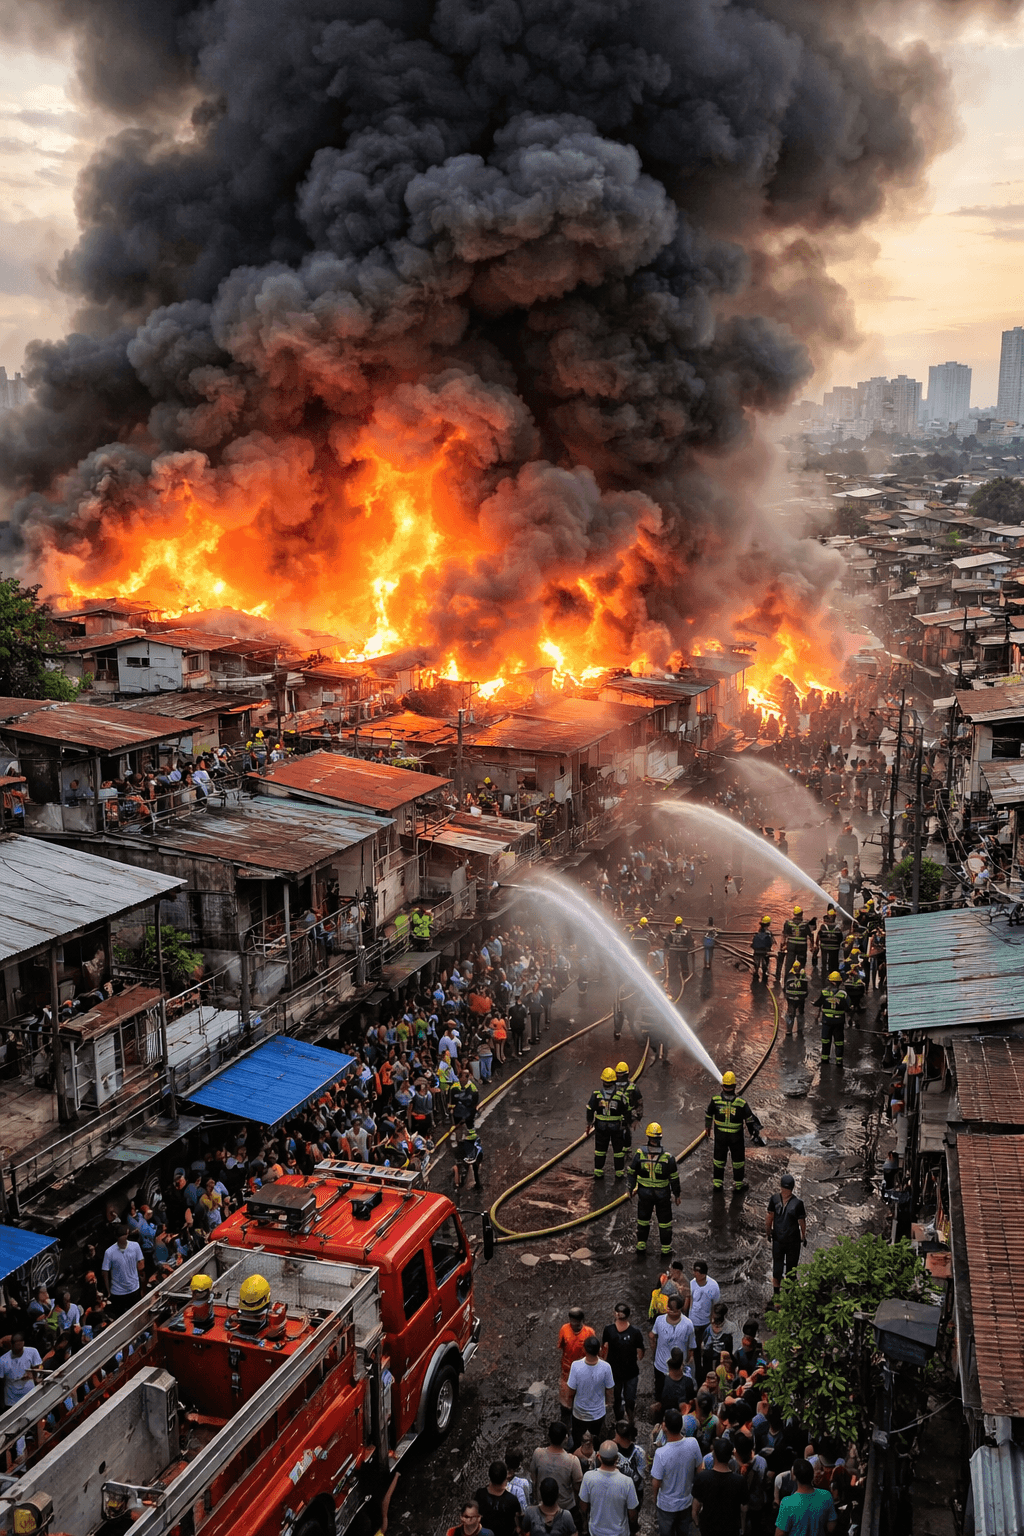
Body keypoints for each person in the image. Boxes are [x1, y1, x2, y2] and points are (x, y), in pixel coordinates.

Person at [628, 1122, 681, 1258]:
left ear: (648, 1137)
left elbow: (632, 1172)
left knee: (643, 1220)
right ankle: (665, 1249)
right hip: (662, 1195)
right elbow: (674, 1179)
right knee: (664, 1222)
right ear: (660, 1138)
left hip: (644, 1194)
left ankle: (641, 1245)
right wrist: (677, 1194)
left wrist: (631, 1188)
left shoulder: (640, 1154)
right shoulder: (668, 1158)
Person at [705, 1073, 764, 1193]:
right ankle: (738, 1184)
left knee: (718, 1159)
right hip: (736, 1138)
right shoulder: (741, 1103)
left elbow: (708, 1113)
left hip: (720, 1137)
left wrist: (708, 1128)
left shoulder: (715, 1100)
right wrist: (754, 1133)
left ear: (722, 1086)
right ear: (735, 1086)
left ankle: (717, 1184)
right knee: (738, 1161)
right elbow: (749, 1119)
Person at [651, 1406, 703, 1536]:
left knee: (666, 1532)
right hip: (686, 1500)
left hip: (666, 1505)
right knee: (684, 1531)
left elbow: (656, 1482)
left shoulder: (661, 1453)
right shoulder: (693, 1443)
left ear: (665, 1427)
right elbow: (700, 1469)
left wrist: (654, 1499)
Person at [578, 1441, 640, 1536]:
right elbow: (632, 1513)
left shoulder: (588, 1477)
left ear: (598, 1457)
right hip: (619, 1532)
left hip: (595, 1531)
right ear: (617, 1458)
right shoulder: (627, 1482)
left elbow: (583, 1507)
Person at [691, 1437, 747, 1536]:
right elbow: (744, 1509)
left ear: (714, 1454)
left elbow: (695, 1509)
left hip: (708, 1528)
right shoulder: (739, 1481)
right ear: (731, 1456)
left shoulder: (702, 1478)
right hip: (731, 1529)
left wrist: (698, 1523)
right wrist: (742, 1528)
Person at [567, 1334, 615, 1450]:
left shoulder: (576, 1366)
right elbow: (609, 1390)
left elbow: (571, 1390)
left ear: (584, 1349)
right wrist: (608, 1404)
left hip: (579, 1413)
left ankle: (578, 1459)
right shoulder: (606, 1367)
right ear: (599, 1350)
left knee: (578, 1439)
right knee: (595, 1438)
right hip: (598, 1414)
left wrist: (569, 1404)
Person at [601, 1302, 646, 1424]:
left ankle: (627, 1420)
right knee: (619, 1400)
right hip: (617, 1373)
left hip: (628, 1374)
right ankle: (622, 1421)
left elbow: (604, 1350)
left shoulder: (611, 1330)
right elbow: (641, 1353)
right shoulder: (632, 1332)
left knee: (628, 1400)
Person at [766, 1174, 807, 1303]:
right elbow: (802, 1222)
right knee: (791, 1268)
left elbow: (769, 1218)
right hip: (792, 1242)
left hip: (778, 1239)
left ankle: (776, 1296)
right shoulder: (798, 1203)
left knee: (777, 1268)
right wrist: (803, 1236)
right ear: (793, 1188)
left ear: (780, 1186)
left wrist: (768, 1232)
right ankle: (787, 1296)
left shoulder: (774, 1199)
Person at [649, 1295, 696, 1402]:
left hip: (679, 1367)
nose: (670, 1312)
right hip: (661, 1365)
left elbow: (691, 1345)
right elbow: (652, 1335)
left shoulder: (688, 1324)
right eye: (669, 1309)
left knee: (679, 1394)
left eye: (674, 1311)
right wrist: (654, 1350)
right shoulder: (659, 1320)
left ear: (680, 1310)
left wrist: (689, 1360)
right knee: (660, 1392)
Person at [531, 1423, 584, 1513]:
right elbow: (578, 1488)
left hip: (543, 1505)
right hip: (565, 1507)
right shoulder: (573, 1461)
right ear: (566, 1438)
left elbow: (534, 1479)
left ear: (548, 1437)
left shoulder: (538, 1454)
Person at [587, 1069, 630, 1180]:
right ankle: (619, 1172)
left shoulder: (596, 1095)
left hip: (601, 1127)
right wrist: (625, 1124)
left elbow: (590, 1109)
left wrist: (589, 1124)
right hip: (616, 1127)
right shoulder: (620, 1096)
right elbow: (627, 1110)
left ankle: (598, 1171)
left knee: (600, 1150)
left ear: (603, 1080)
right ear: (614, 1081)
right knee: (618, 1151)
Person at [775, 1459, 837, 1535]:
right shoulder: (826, 1495)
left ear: (794, 1476)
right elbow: (831, 1527)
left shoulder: (787, 1503)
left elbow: (779, 1534)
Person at [558, 1309, 597, 1426]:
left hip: (584, 1371)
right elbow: (561, 1346)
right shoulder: (564, 1329)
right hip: (567, 1371)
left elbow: (594, 1352)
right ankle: (565, 1426)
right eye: (572, 1321)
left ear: (581, 1321)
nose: (573, 1324)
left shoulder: (589, 1332)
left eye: (576, 1322)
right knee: (565, 1403)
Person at [101, 1224, 146, 1316]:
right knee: (121, 1316)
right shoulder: (109, 1252)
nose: (123, 1237)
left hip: (134, 1288)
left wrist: (141, 1277)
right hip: (118, 1291)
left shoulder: (135, 1246)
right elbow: (105, 1272)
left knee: (137, 1314)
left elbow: (141, 1263)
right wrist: (108, 1291)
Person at [474, 1462, 522, 1536]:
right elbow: (519, 1516)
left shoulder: (480, 1494)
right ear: (505, 1478)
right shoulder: (512, 1500)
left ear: (489, 1476)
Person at [0, 1333, 43, 1408]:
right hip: (12, 1399)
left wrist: (34, 1376)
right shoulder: (3, 1360)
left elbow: (38, 1368)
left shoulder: (32, 1352)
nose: (19, 1352)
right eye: (16, 1349)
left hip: (30, 1395)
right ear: (12, 1345)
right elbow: (1, 1380)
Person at [814, 973, 848, 1069]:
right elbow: (848, 1007)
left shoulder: (824, 992)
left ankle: (825, 1059)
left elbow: (818, 1003)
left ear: (830, 982)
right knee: (839, 1042)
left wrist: (815, 1004)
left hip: (827, 1022)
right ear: (839, 982)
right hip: (839, 1022)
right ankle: (839, 1061)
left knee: (826, 1040)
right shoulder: (843, 994)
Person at [775, 907, 810, 984]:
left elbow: (784, 935)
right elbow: (810, 935)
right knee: (801, 966)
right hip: (802, 947)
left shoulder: (788, 923)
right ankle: (800, 983)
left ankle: (787, 983)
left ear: (794, 914)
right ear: (802, 913)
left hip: (791, 946)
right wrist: (812, 946)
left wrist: (782, 945)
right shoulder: (806, 923)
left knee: (789, 965)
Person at [783, 962, 808, 1036]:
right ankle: (799, 1030)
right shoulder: (803, 976)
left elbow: (785, 988)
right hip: (800, 999)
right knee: (800, 1014)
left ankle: (789, 1030)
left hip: (790, 999)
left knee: (790, 1014)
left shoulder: (789, 975)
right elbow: (806, 990)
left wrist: (787, 996)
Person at [751, 917, 773, 984]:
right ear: (768, 924)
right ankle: (765, 973)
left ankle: (756, 972)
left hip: (757, 951)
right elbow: (770, 943)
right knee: (765, 963)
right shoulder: (768, 934)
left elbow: (753, 944)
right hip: (764, 952)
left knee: (756, 962)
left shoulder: (757, 934)